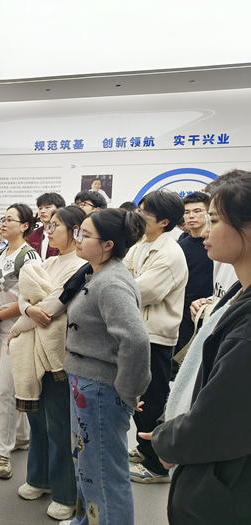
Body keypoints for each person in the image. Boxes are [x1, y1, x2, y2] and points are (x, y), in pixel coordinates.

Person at [143, 170, 251, 524]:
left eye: (214, 220)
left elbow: (220, 416)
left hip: (226, 486)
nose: (204, 230)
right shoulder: (236, 293)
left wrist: (169, 442)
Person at [62, 208, 151, 525]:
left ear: (108, 244)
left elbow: (136, 340)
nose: (77, 238)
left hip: (100, 390)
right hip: (86, 385)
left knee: (104, 474)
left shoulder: (111, 282)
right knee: (87, 467)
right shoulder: (97, 274)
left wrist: (128, 392)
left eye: (85, 235)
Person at [8, 206, 87, 521]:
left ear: (75, 230)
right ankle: (38, 479)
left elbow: (52, 307)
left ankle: (65, 494)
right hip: (32, 347)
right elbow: (26, 297)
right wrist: (27, 311)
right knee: (37, 422)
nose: (48, 230)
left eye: (55, 226)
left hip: (56, 354)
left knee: (59, 426)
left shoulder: (80, 266)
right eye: (48, 225)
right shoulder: (49, 262)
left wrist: (18, 325)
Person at [124, 190, 187, 484]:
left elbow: (140, 291)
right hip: (138, 331)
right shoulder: (141, 243)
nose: (138, 215)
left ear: (164, 221)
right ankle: (143, 447)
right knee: (138, 398)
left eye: (145, 211)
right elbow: (123, 275)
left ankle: (157, 466)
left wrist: (123, 282)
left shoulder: (170, 253)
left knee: (152, 399)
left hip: (156, 337)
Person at [0, 203, 41, 479]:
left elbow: (30, 300)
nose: (3, 224)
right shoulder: (1, 252)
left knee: (4, 392)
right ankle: (20, 436)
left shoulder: (30, 258)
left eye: (10, 219)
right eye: (2, 219)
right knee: (9, 386)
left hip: (17, 330)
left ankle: (1, 452)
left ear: (25, 226)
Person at [175, 192, 213, 355]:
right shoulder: (178, 248)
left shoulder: (218, 245)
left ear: (208, 213)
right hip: (184, 316)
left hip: (212, 310)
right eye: (187, 212)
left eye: (197, 211)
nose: (191, 216)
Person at [28, 192, 65, 260]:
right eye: (40, 208)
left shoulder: (65, 234)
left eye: (47, 207)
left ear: (60, 209)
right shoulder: (32, 235)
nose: (42, 211)